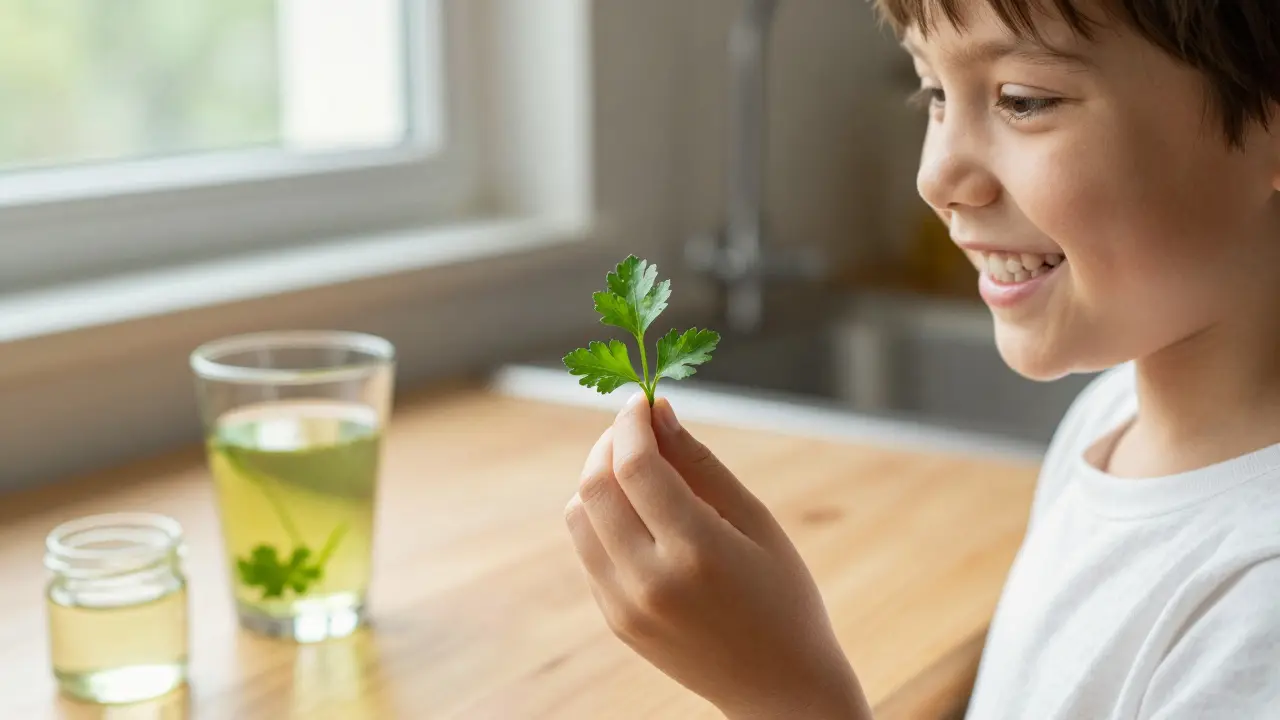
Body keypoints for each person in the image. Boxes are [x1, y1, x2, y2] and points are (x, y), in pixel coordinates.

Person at [562, 0, 1280, 716]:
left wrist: (792, 697)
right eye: (934, 91)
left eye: (1024, 101)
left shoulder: (1259, 615)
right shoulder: (1111, 417)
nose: (936, 178)